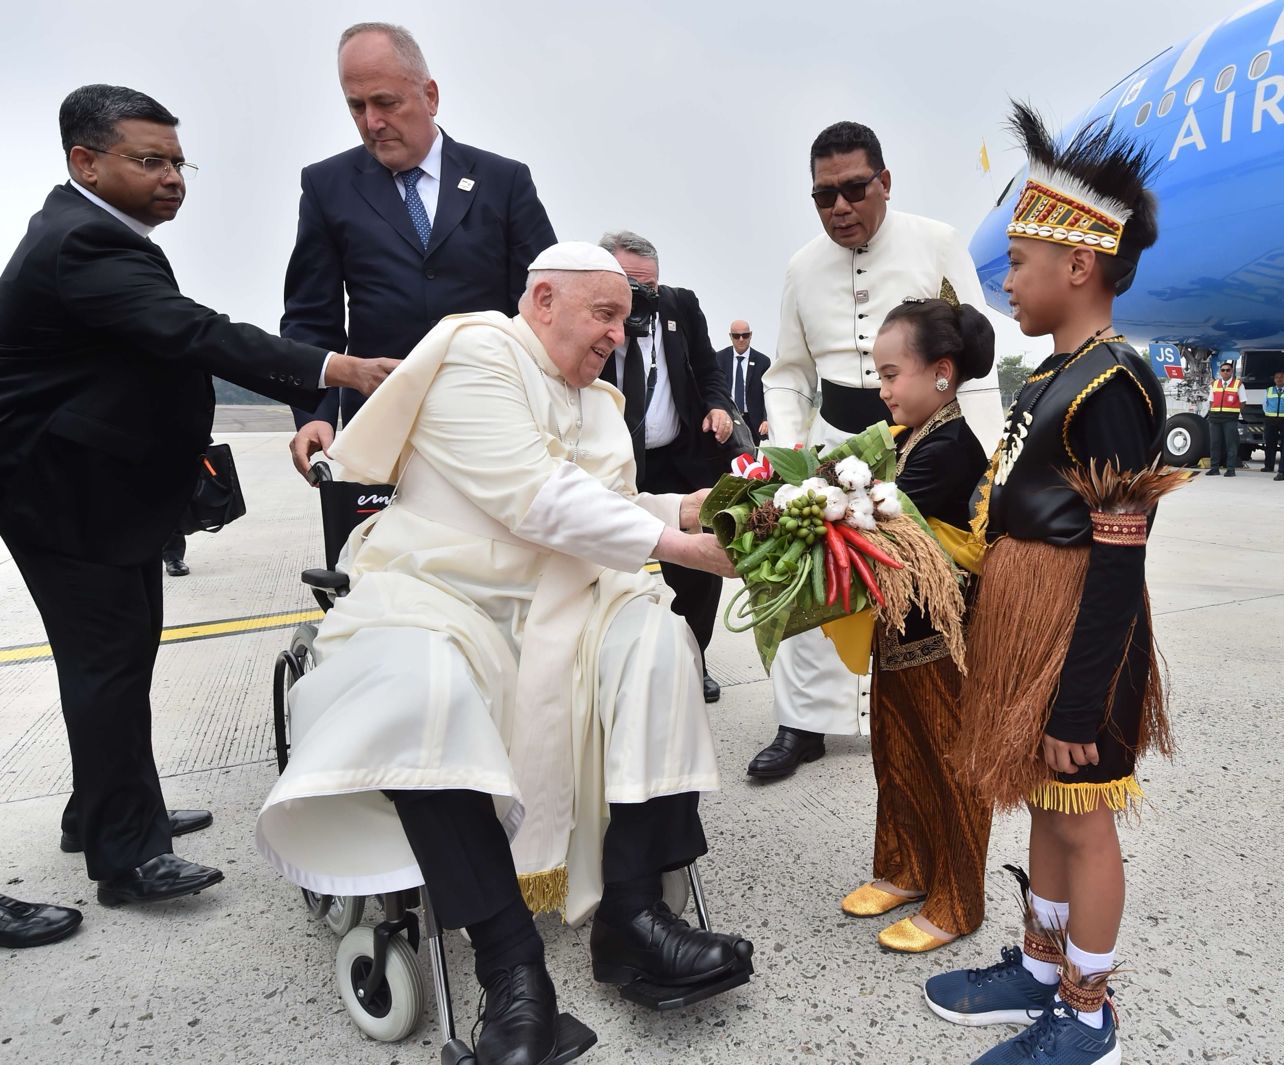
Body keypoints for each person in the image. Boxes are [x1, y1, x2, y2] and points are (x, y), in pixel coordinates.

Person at [256, 244, 755, 1064]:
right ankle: (512, 967)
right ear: (545, 298)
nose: (617, 338)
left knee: (661, 638)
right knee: (426, 690)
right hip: (442, 592)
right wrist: (677, 547)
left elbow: (610, 504)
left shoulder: (597, 401)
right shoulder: (476, 352)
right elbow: (535, 496)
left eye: (625, 322)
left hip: (565, 595)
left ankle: (632, 918)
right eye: (605, 316)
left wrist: (689, 507)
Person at [0, 85, 392, 919]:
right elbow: (196, 332)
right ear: (86, 162)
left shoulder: (98, 233)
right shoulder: (83, 244)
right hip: (65, 500)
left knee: (120, 658)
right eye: (151, 160)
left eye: (179, 161)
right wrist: (339, 368)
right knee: (107, 667)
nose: (174, 177)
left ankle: (103, 808)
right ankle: (129, 856)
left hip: (94, 494)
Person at [924, 103, 1180, 1065]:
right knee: (1042, 801)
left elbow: (1120, 554)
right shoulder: (1053, 373)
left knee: (1085, 815)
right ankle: (1037, 968)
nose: (1008, 283)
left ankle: (1087, 1009)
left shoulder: (1116, 382)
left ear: (1080, 266)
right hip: (1030, 625)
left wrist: (1080, 699)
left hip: (1084, 638)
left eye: (1021, 264)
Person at [749, 120, 1004, 780]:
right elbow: (786, 373)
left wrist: (989, 457)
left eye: (855, 188)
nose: (841, 206)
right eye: (824, 195)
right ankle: (801, 723)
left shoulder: (937, 243)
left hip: (922, 443)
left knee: (917, 588)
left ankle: (914, 710)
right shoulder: (801, 267)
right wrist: (788, 455)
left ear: (884, 181)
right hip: (834, 443)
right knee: (812, 578)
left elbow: (972, 358)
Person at [283, 21, 558, 476]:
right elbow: (312, 316)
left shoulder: (503, 181)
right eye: (357, 107)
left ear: (429, 95)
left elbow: (544, 305)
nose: (372, 122)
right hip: (381, 428)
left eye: (386, 103)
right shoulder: (325, 186)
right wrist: (314, 413)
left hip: (496, 421)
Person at [841, 294, 994, 955]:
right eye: (878, 374)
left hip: (942, 645)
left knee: (949, 767)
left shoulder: (952, 447)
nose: (883, 389)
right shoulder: (907, 439)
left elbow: (870, 515)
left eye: (891, 373)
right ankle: (904, 868)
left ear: (941, 373)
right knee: (895, 755)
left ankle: (958, 899)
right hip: (897, 635)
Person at [597, 230, 737, 704]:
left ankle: (693, 659)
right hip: (617, 465)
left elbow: (709, 368)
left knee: (698, 569)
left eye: (650, 286)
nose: (644, 296)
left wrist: (718, 406)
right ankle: (616, 664)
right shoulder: (595, 320)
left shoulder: (680, 307)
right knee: (613, 561)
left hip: (679, 458)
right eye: (632, 285)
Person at [717, 320, 770, 442]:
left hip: (752, 422)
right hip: (727, 418)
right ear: (730, 336)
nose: (741, 339)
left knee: (750, 459)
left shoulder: (763, 362)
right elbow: (715, 389)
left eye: (745, 335)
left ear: (750, 335)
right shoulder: (719, 358)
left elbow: (767, 393)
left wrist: (766, 419)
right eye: (736, 336)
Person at [1205, 358, 1242, 476]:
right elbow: (1211, 400)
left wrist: (1235, 412)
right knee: (1214, 443)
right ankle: (1214, 468)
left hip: (1230, 418)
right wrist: (1212, 412)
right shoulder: (1214, 384)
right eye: (1223, 370)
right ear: (1220, 372)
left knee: (1231, 444)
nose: (1225, 372)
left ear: (1232, 371)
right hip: (1215, 418)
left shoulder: (1238, 384)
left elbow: (1243, 401)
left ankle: (1230, 469)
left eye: (1228, 370)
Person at [1260, 369, 1284, 473]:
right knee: (1269, 444)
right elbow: (1264, 405)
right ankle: (1269, 466)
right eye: (1277, 377)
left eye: (1281, 377)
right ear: (1274, 379)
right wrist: (1269, 414)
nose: (1279, 379)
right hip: (1271, 419)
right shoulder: (1268, 390)